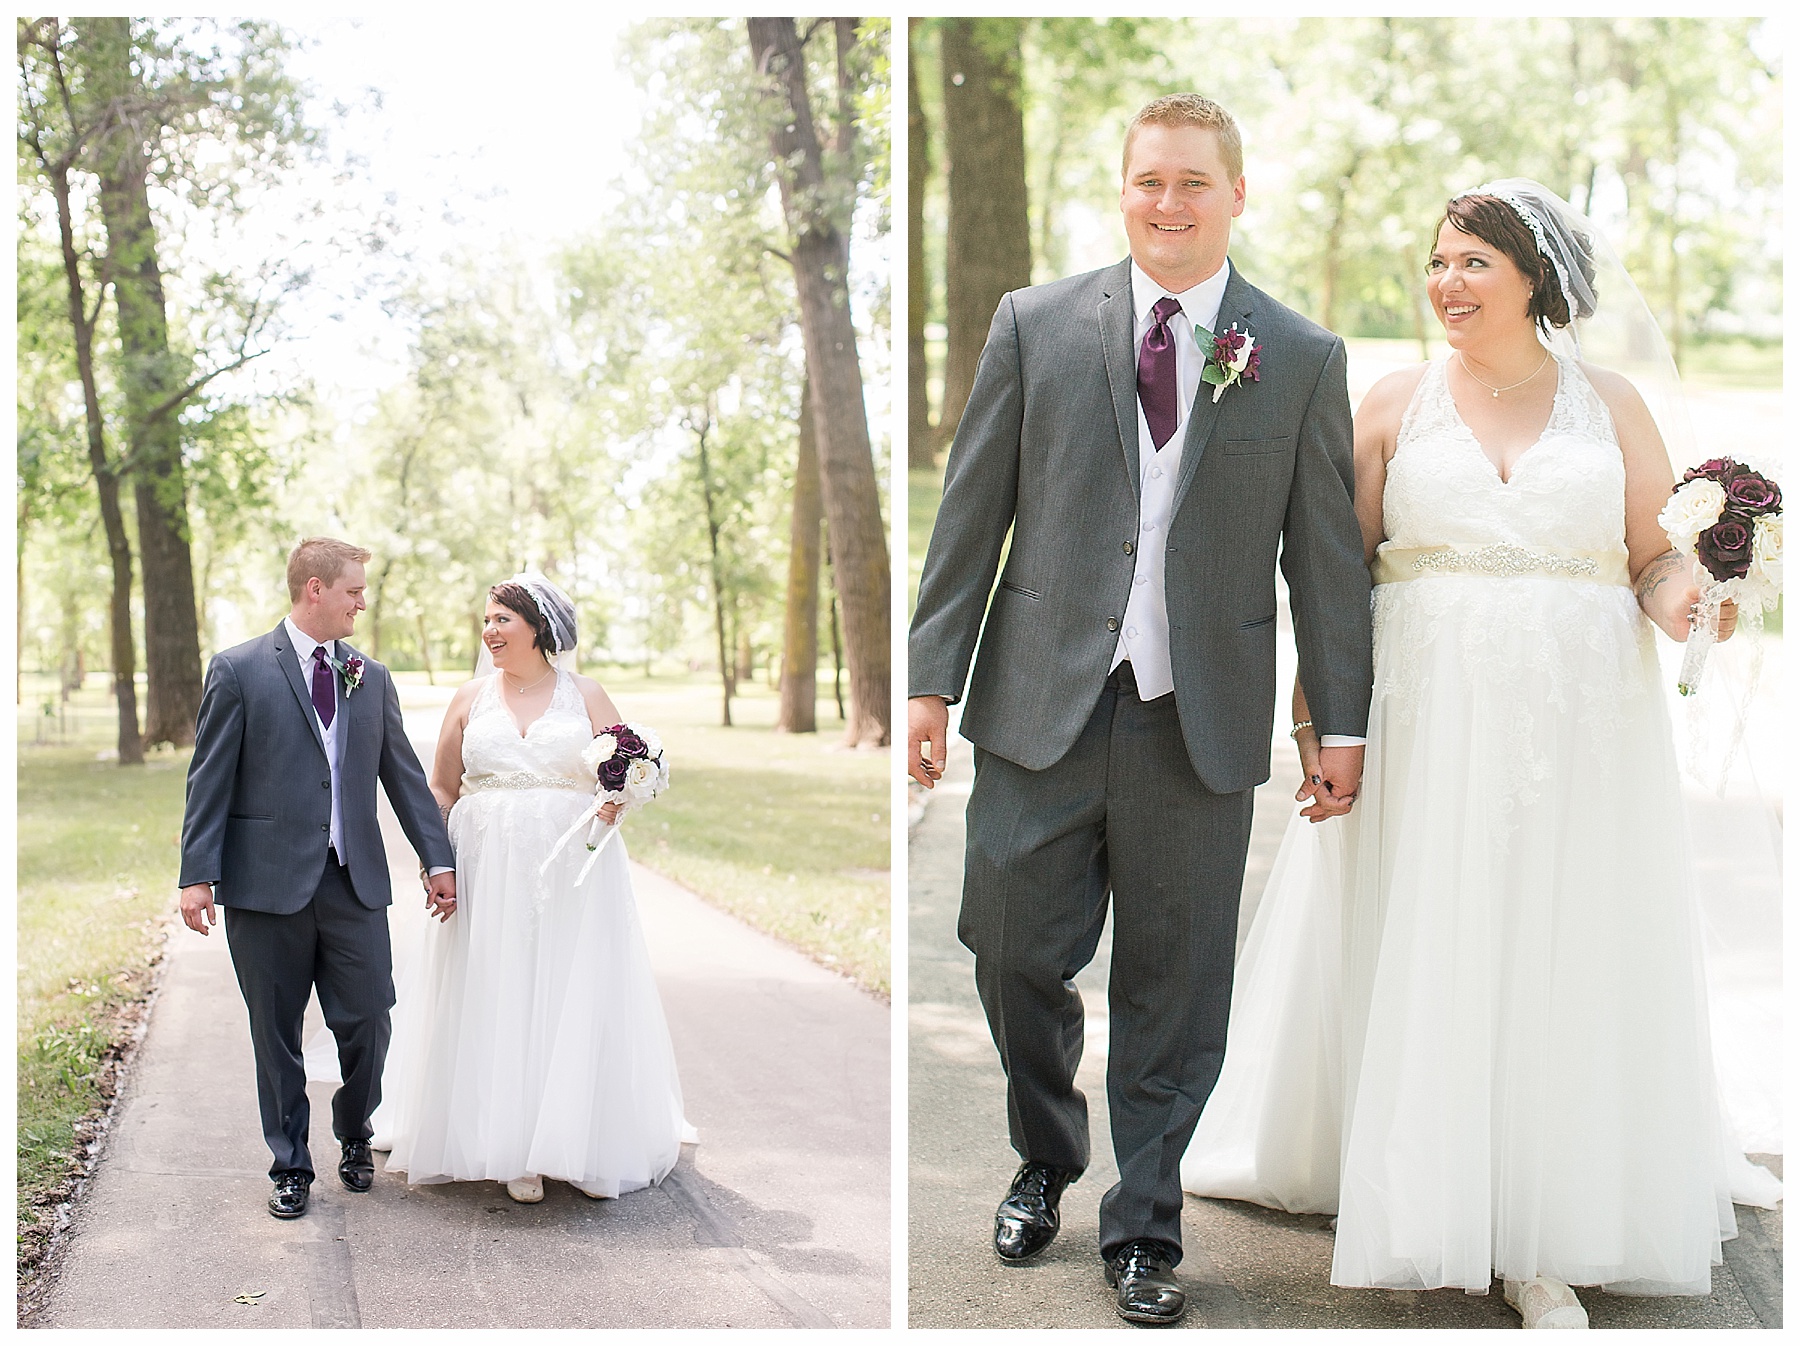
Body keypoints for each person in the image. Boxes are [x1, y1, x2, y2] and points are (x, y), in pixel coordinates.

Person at [1180, 180, 1782, 1327]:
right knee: (1440, 927)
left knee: (1555, 934)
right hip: (1427, 712)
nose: (1447, 282)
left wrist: (1710, 587)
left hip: (1581, 721)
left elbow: (1652, 564)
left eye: (1473, 264)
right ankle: (1421, 1174)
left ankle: (1541, 1218)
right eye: (1439, 260)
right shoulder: (1394, 403)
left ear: (1534, 281)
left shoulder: (1612, 407)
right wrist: (1321, 725)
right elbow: (1335, 579)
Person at [907, 94, 1375, 1325]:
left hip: (1197, 721)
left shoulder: (1301, 353)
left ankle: (1145, 1227)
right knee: (1008, 947)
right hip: (1038, 708)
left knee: (1176, 988)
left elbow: (1326, 562)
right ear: (1124, 189)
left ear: (1236, 194)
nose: (1168, 203)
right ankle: (1045, 1152)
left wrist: (1344, 723)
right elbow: (971, 515)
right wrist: (928, 676)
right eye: (1149, 181)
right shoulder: (1037, 323)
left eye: (1193, 183)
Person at [373, 573, 690, 1204]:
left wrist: (615, 804)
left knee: (567, 984)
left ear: (537, 629)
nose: (488, 631)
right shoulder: (469, 698)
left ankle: (577, 1139)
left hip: (569, 867)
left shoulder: (586, 695)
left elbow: (623, 773)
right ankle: (511, 1145)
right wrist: (437, 863)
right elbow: (441, 789)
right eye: (486, 620)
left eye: (501, 620)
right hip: (486, 864)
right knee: (496, 985)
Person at [178, 537, 457, 1220]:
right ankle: (290, 1165)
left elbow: (405, 780)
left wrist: (437, 859)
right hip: (264, 885)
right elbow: (208, 779)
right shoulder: (239, 669)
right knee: (274, 1034)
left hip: (352, 882)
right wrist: (197, 875)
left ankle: (355, 1134)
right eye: (354, 590)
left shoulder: (372, 676)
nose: (363, 600)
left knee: (369, 1019)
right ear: (314, 589)